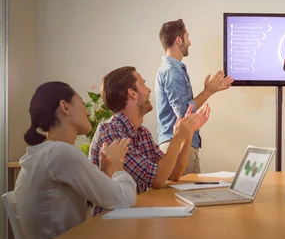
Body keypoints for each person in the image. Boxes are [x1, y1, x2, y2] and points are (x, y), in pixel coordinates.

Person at [13, 81, 137, 239]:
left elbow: (96, 201)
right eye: (81, 102)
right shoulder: (59, 153)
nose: (87, 111)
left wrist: (104, 170)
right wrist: (118, 164)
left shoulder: (47, 152)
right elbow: (123, 200)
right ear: (65, 107)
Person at [89, 66, 210, 214]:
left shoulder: (142, 133)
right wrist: (177, 138)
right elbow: (158, 179)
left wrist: (188, 133)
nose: (149, 90)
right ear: (132, 93)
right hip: (113, 224)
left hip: (135, 215)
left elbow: (173, 174)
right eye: (144, 84)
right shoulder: (110, 132)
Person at [156, 19, 233, 174]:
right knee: (180, 197)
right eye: (187, 37)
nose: (189, 42)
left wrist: (208, 91)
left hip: (183, 145)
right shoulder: (172, 71)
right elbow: (184, 111)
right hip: (178, 145)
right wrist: (208, 92)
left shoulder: (174, 69)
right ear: (179, 40)